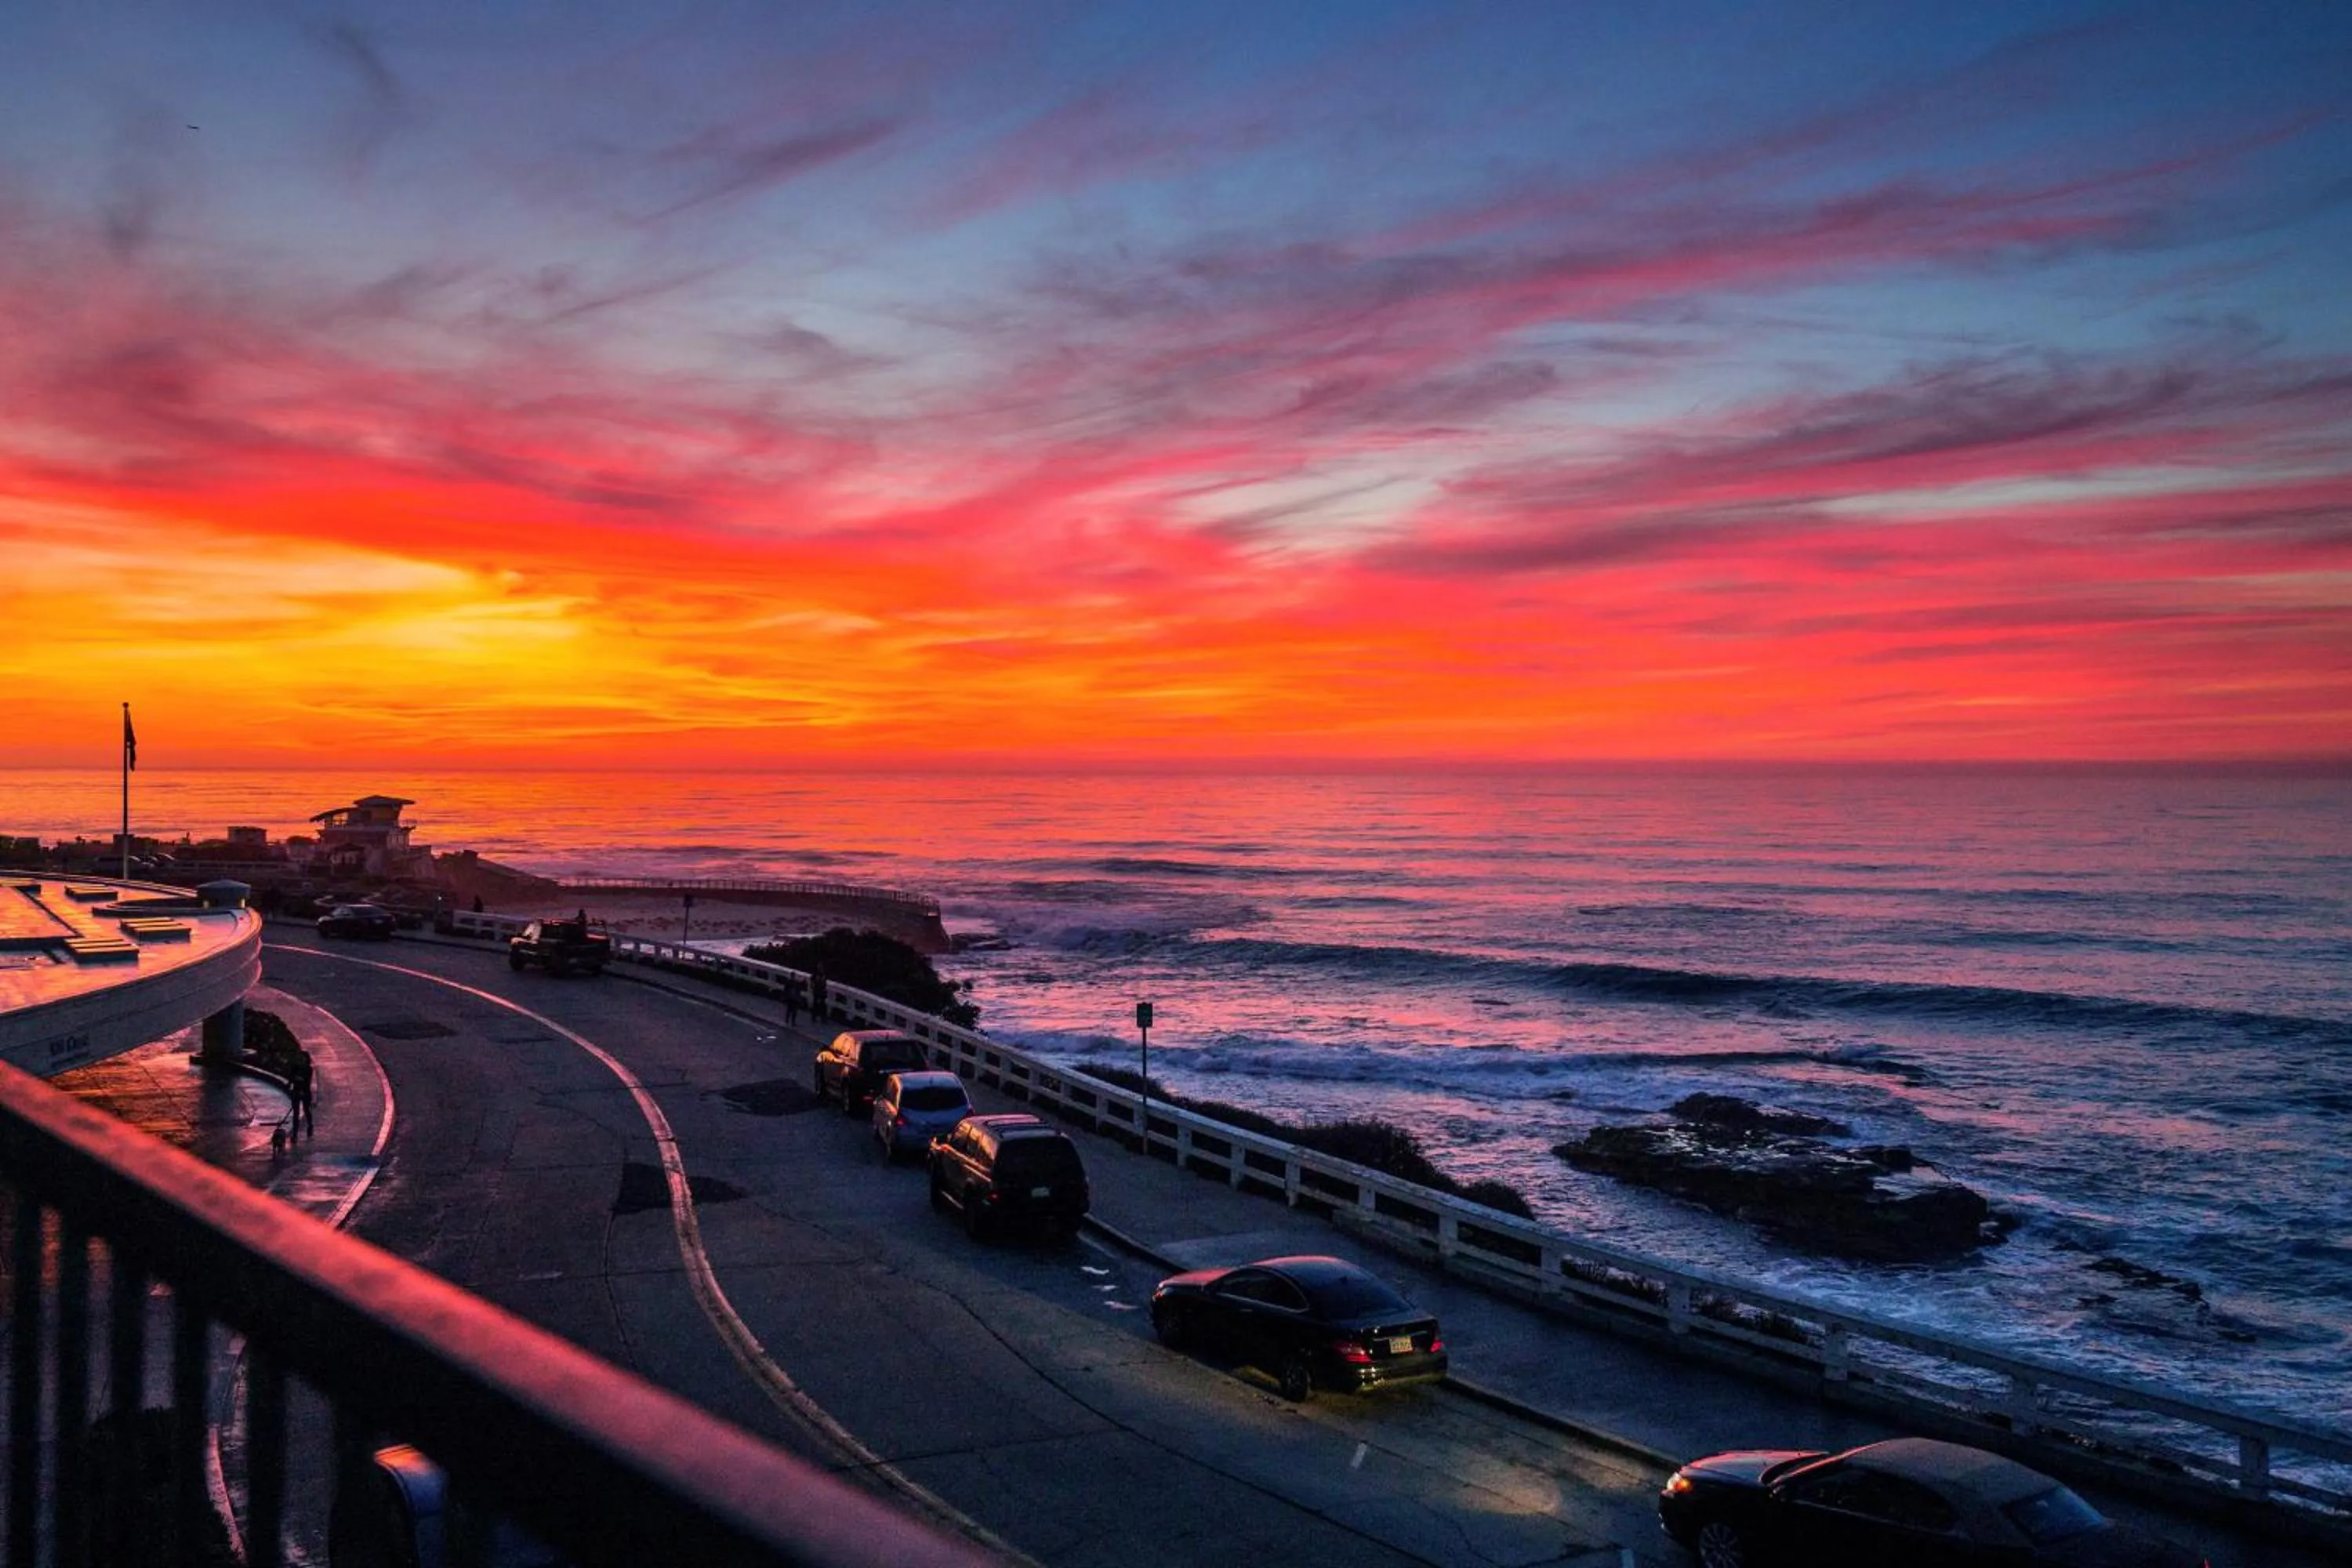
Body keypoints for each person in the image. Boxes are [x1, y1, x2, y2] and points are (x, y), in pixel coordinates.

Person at [290, 1048, 316, 1136]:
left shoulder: (309, 1069)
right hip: (296, 1091)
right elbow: (291, 1078)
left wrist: (298, 1080)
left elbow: (307, 1082)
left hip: (305, 1092)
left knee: (306, 1110)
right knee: (296, 1113)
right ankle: (295, 1133)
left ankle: (310, 1125)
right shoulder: (295, 1068)